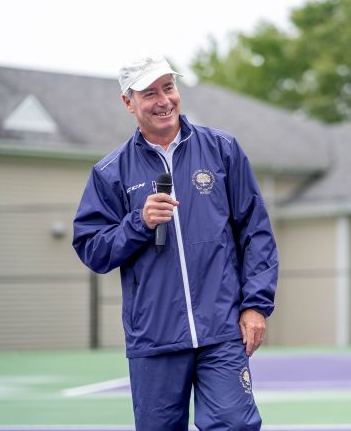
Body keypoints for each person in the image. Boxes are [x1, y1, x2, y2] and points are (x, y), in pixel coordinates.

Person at [72, 55, 278, 431]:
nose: (164, 100)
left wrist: (256, 305)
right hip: (154, 338)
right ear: (128, 102)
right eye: (150, 93)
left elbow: (256, 232)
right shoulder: (109, 173)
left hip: (221, 331)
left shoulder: (223, 150)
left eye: (168, 87)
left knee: (235, 425)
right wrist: (139, 222)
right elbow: (93, 249)